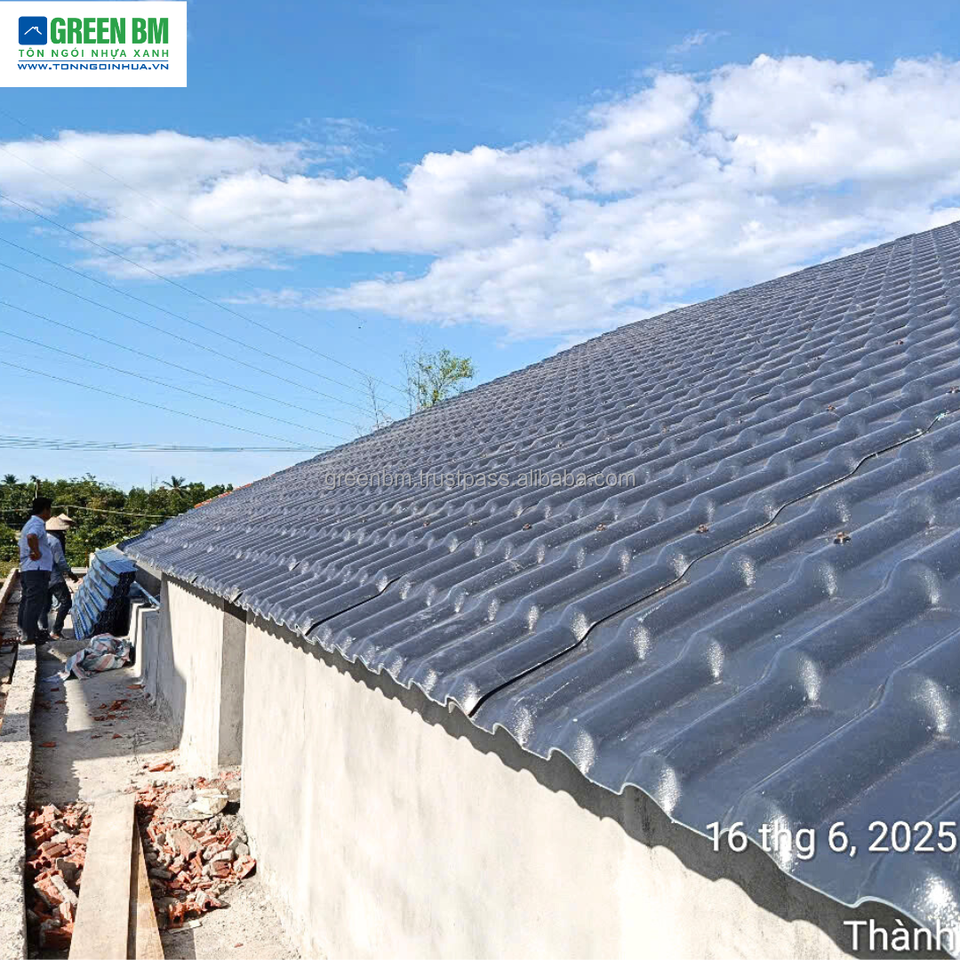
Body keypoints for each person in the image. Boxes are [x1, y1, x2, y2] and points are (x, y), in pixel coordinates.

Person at [17, 496, 53, 645]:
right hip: (37, 569)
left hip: (29, 568)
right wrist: (36, 552)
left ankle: (25, 632)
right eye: (49, 510)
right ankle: (29, 636)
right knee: (34, 603)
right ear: (45, 510)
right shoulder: (37, 524)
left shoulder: (29, 523)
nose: (50, 513)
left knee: (27, 601)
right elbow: (31, 537)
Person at [43, 516, 80, 640]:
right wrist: (71, 574)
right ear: (58, 530)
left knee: (45, 605)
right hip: (53, 578)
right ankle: (56, 631)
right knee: (66, 602)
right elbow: (60, 561)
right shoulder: (54, 541)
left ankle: (43, 632)